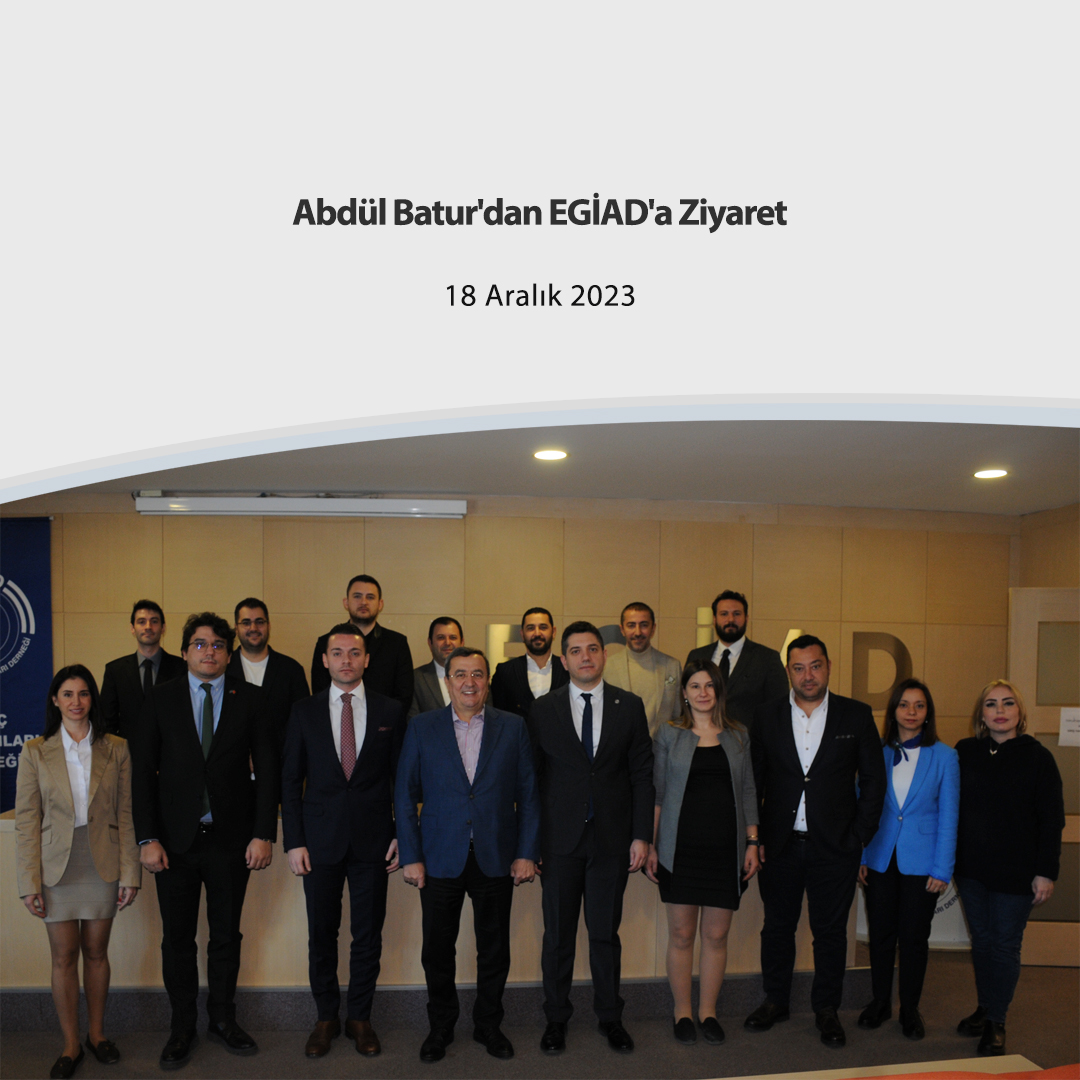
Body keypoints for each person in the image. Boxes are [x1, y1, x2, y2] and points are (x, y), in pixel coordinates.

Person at [132, 612, 279, 1071]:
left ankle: (222, 1019)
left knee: (225, 936)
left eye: (217, 645)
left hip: (231, 842)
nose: (209, 652)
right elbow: (142, 773)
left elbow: (268, 770)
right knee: (177, 939)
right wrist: (147, 837)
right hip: (172, 844)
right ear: (184, 652)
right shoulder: (160, 698)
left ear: (229, 654)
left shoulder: (251, 699)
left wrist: (263, 833)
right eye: (200, 644)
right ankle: (182, 1027)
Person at [396, 647, 540, 1063]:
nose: (469, 682)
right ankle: (440, 1026)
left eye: (477, 674)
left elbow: (529, 794)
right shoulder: (422, 727)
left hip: (496, 855)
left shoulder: (512, 727)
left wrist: (526, 852)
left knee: (494, 950)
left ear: (487, 682)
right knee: (437, 951)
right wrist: (411, 855)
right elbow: (404, 794)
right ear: (447, 682)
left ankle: (488, 1025)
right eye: (460, 674)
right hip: (439, 857)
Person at [745, 635, 886, 1049]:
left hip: (836, 847)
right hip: (780, 845)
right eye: (799, 667)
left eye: (816, 665)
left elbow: (874, 781)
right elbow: (754, 781)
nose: (808, 675)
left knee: (830, 933)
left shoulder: (856, 715)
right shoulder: (766, 715)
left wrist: (859, 837)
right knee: (777, 928)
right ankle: (776, 1001)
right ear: (788, 671)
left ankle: (827, 1009)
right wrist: (755, 837)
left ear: (828, 666)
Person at [529, 621, 655, 1055]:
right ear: (564, 661)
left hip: (611, 842)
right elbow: (532, 780)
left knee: (605, 935)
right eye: (576, 651)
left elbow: (642, 775)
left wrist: (641, 836)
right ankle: (555, 1019)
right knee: (557, 937)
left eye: (593, 649)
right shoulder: (543, 709)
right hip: (558, 843)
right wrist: (531, 843)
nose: (585, 657)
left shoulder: (629, 705)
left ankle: (610, 1017)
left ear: (604, 655)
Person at [282, 624, 406, 1059]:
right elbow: (290, 780)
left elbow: (402, 780)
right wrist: (294, 841)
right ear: (325, 660)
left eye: (354, 652)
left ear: (367, 659)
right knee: (321, 933)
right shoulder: (304, 711)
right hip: (318, 842)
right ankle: (325, 1018)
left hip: (375, 841)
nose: (346, 660)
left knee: (367, 934)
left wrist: (402, 834)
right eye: (337, 653)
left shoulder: (391, 709)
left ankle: (360, 1018)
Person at [15, 665, 141, 1080]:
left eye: (83, 693)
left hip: (102, 860)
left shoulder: (116, 748)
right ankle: (70, 1045)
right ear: (55, 700)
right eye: (67, 694)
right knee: (64, 956)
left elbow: (127, 814)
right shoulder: (35, 752)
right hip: (56, 867)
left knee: (97, 953)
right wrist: (28, 882)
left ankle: (97, 1035)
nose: (76, 702)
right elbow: (27, 821)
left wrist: (130, 873)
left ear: (92, 699)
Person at [646, 660, 759, 1046]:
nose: (702, 693)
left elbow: (748, 791)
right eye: (694, 686)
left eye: (709, 685)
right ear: (684, 693)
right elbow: (658, 794)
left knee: (716, 934)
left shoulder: (738, 735)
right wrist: (652, 845)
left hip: (725, 850)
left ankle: (708, 1012)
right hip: (680, 849)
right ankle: (682, 1012)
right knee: (681, 934)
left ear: (719, 691)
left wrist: (753, 842)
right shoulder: (669, 733)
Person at [953, 679, 1064, 1057]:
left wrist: (1046, 871)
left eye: (1008, 703)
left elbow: (1051, 820)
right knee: (982, 942)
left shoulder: (1038, 758)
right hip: (971, 870)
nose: (1000, 711)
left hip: (1017, 873)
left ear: (1020, 712)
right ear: (981, 715)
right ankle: (985, 1008)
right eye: (991, 704)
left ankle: (997, 1021)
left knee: (1004, 946)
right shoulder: (965, 751)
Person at [857, 678, 959, 1041]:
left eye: (919, 705)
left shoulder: (945, 756)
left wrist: (942, 868)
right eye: (904, 704)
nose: (911, 712)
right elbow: (864, 807)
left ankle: (910, 1008)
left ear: (928, 712)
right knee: (881, 935)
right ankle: (880, 1002)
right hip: (880, 858)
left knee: (914, 939)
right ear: (893, 711)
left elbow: (949, 816)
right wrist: (862, 854)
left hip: (923, 864)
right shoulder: (877, 752)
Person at [685, 590, 788, 730]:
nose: (730, 620)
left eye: (737, 614)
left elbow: (779, 709)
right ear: (714, 619)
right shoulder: (696, 656)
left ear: (747, 618)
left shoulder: (767, 659)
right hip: (700, 739)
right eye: (724, 614)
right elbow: (686, 702)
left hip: (748, 741)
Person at [310, 575, 414, 713]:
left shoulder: (397, 643)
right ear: (346, 602)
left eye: (370, 597)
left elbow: (404, 695)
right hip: (335, 720)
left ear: (380, 604)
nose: (363, 602)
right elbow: (320, 692)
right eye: (357, 596)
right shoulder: (325, 642)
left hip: (384, 722)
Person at [227, 597, 309, 755]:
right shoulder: (224, 669)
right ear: (236, 628)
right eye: (246, 623)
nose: (253, 628)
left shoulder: (291, 670)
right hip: (233, 764)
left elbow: (301, 723)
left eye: (259, 622)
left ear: (269, 625)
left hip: (280, 762)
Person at [100, 600, 187, 740]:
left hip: (170, 750)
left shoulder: (181, 668)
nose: (148, 627)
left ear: (163, 628)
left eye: (154, 621)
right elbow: (107, 722)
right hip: (128, 751)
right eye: (141, 622)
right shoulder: (115, 671)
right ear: (132, 628)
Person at [604, 603, 682, 736]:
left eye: (644, 625)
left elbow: (677, 715)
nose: (638, 632)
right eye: (631, 625)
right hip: (621, 747)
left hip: (661, 747)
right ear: (622, 629)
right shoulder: (607, 667)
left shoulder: (672, 666)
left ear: (653, 629)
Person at [490, 606, 569, 721]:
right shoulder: (504, 672)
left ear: (553, 632)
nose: (537, 633)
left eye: (543, 627)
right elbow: (497, 717)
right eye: (530, 628)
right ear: (522, 634)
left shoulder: (568, 669)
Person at [409, 617, 463, 718]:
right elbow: (413, 721)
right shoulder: (416, 678)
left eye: (453, 637)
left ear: (462, 642)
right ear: (430, 643)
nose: (447, 643)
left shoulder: (477, 677)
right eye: (441, 637)